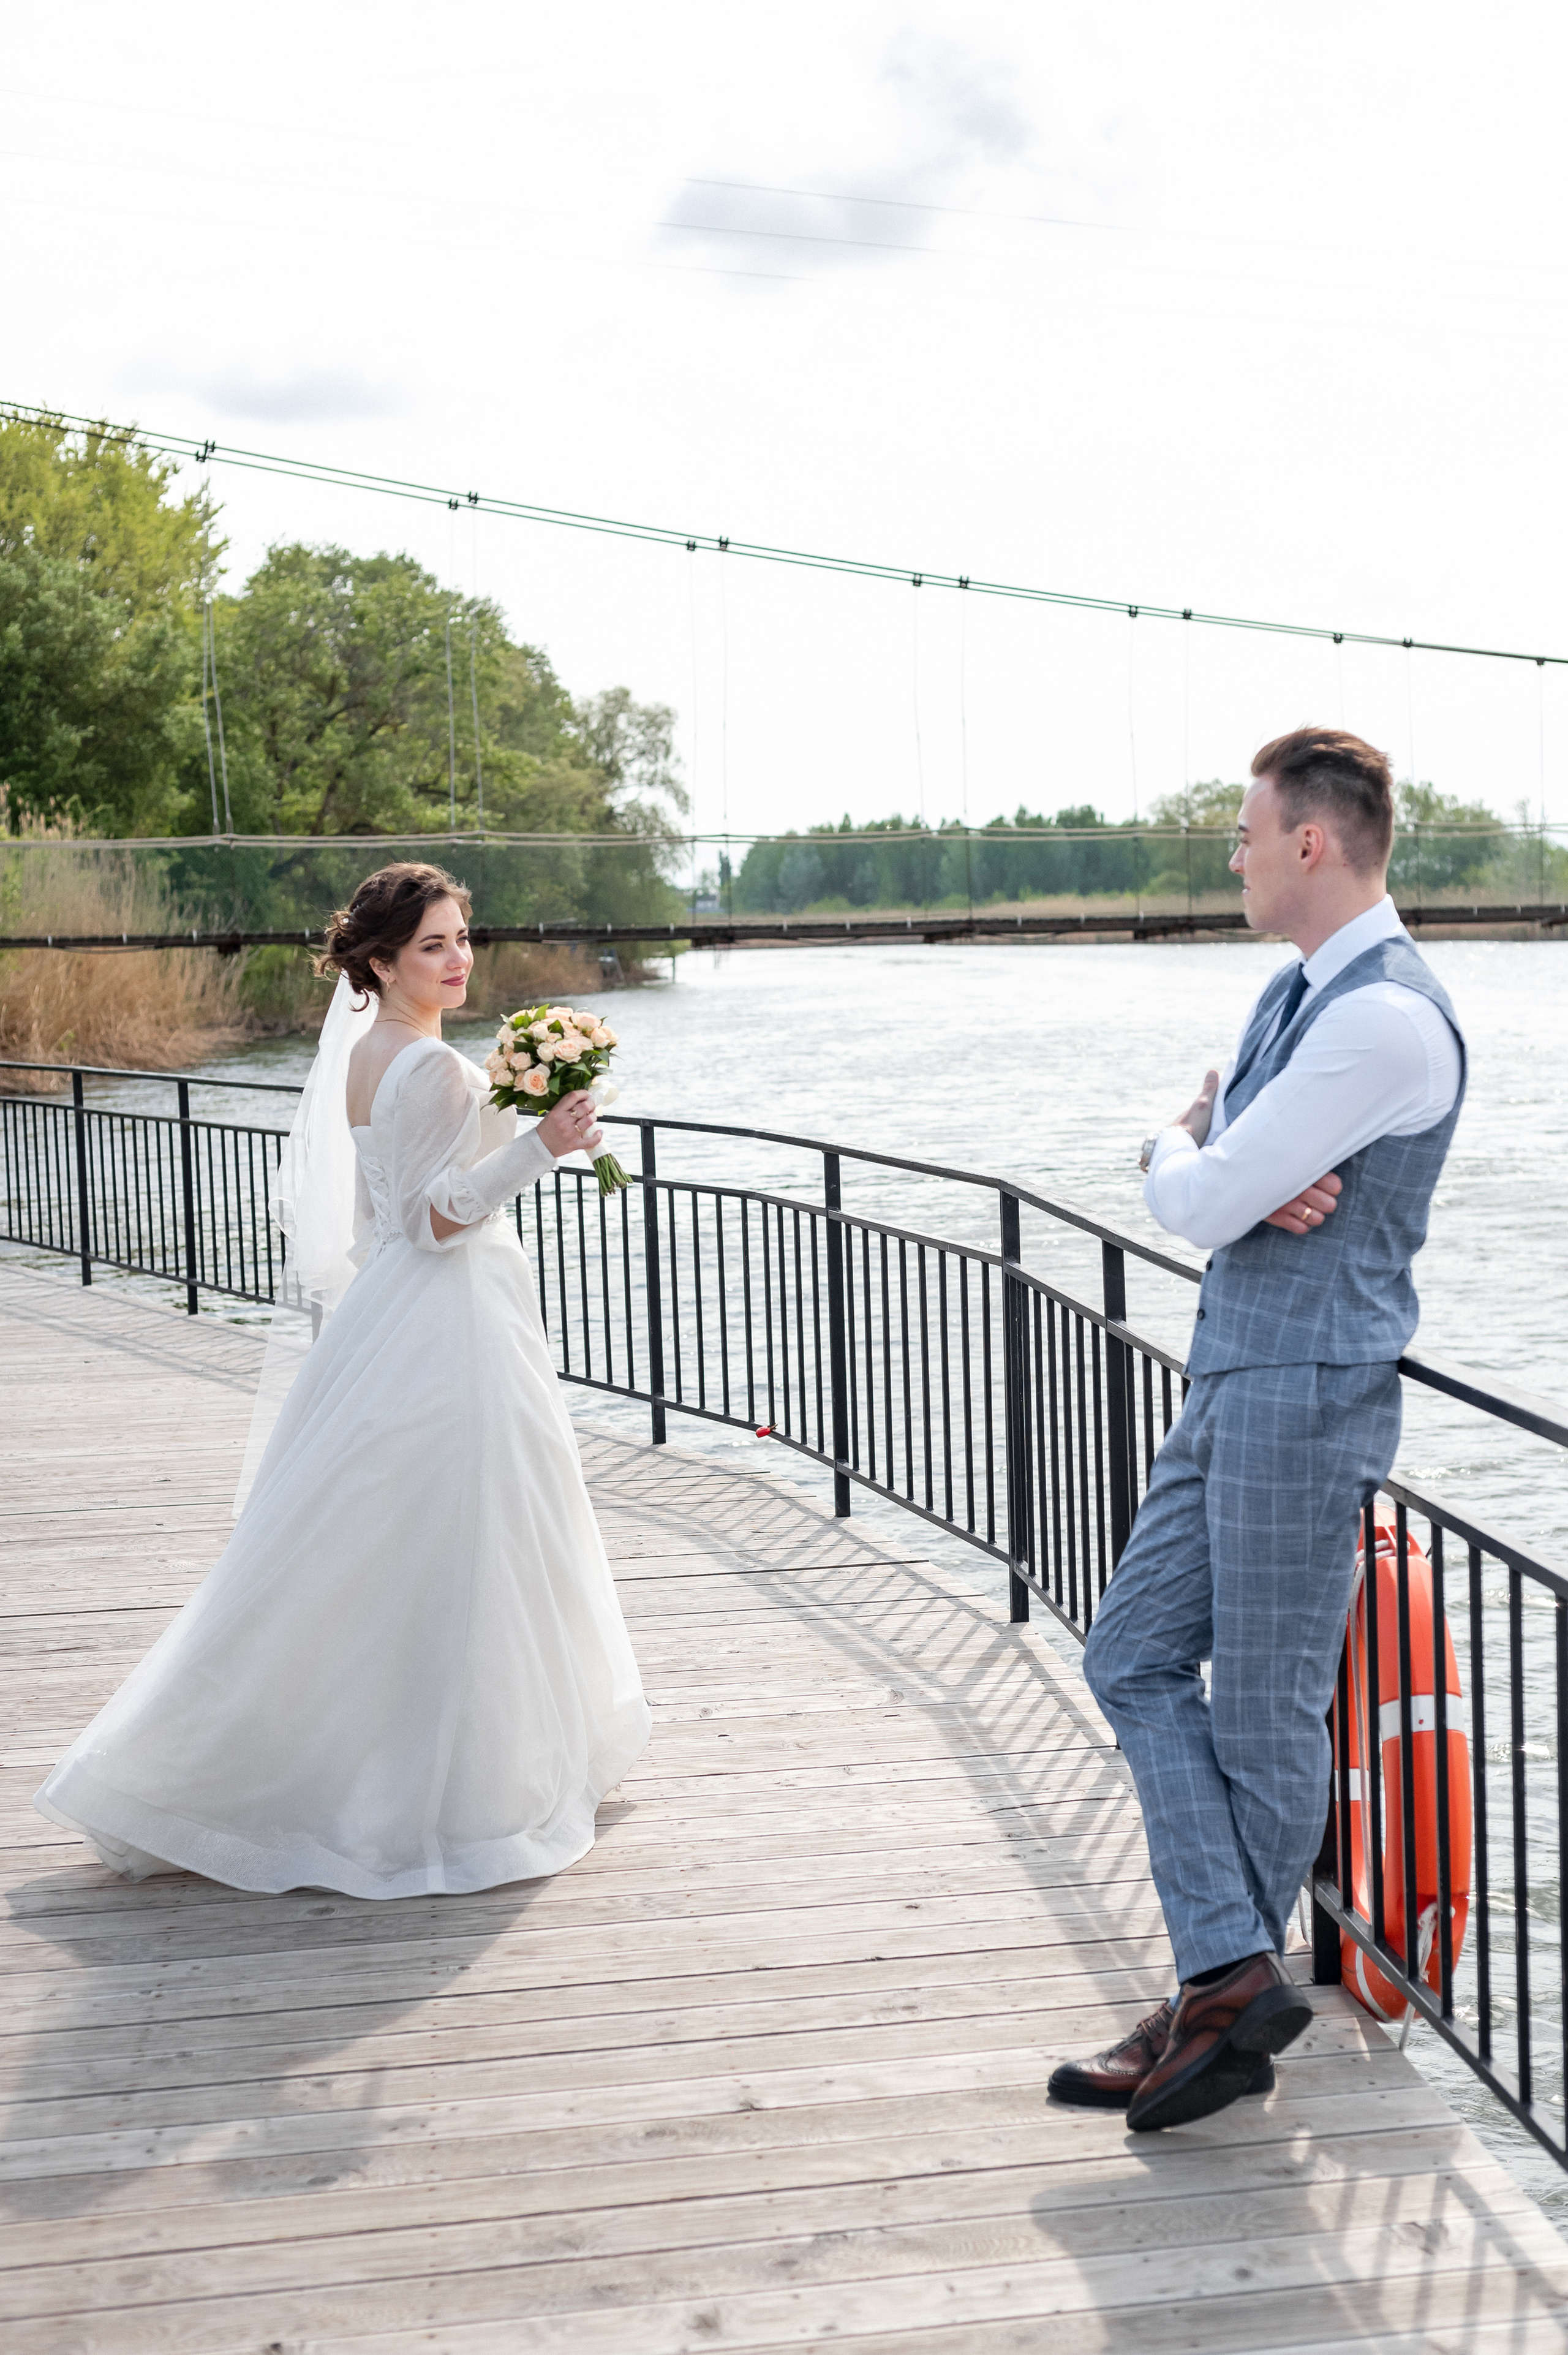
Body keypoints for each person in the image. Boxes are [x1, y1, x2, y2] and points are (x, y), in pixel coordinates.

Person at [36, 862, 650, 1899]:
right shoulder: (433, 1067)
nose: (457, 960)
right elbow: (432, 1219)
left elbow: (381, 1218)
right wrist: (542, 1146)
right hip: (449, 1318)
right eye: (432, 946)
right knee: (472, 1533)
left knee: (388, 1535)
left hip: (394, 1308)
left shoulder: (373, 1054)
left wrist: (521, 1118)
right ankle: (458, 1784)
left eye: (462, 939)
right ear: (382, 961)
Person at [1049, 729, 1464, 2131]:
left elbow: (1198, 1189)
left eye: (1242, 833)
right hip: (1232, 1369)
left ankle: (1211, 2003)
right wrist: (1210, 1161)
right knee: (1127, 1648)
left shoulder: (1384, 1018)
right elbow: (1212, 1172)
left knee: (1264, 1701)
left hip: (1307, 1389)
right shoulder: (1292, 992)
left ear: (1307, 841)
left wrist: (1195, 1159)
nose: (1229, 856)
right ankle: (1229, 1969)